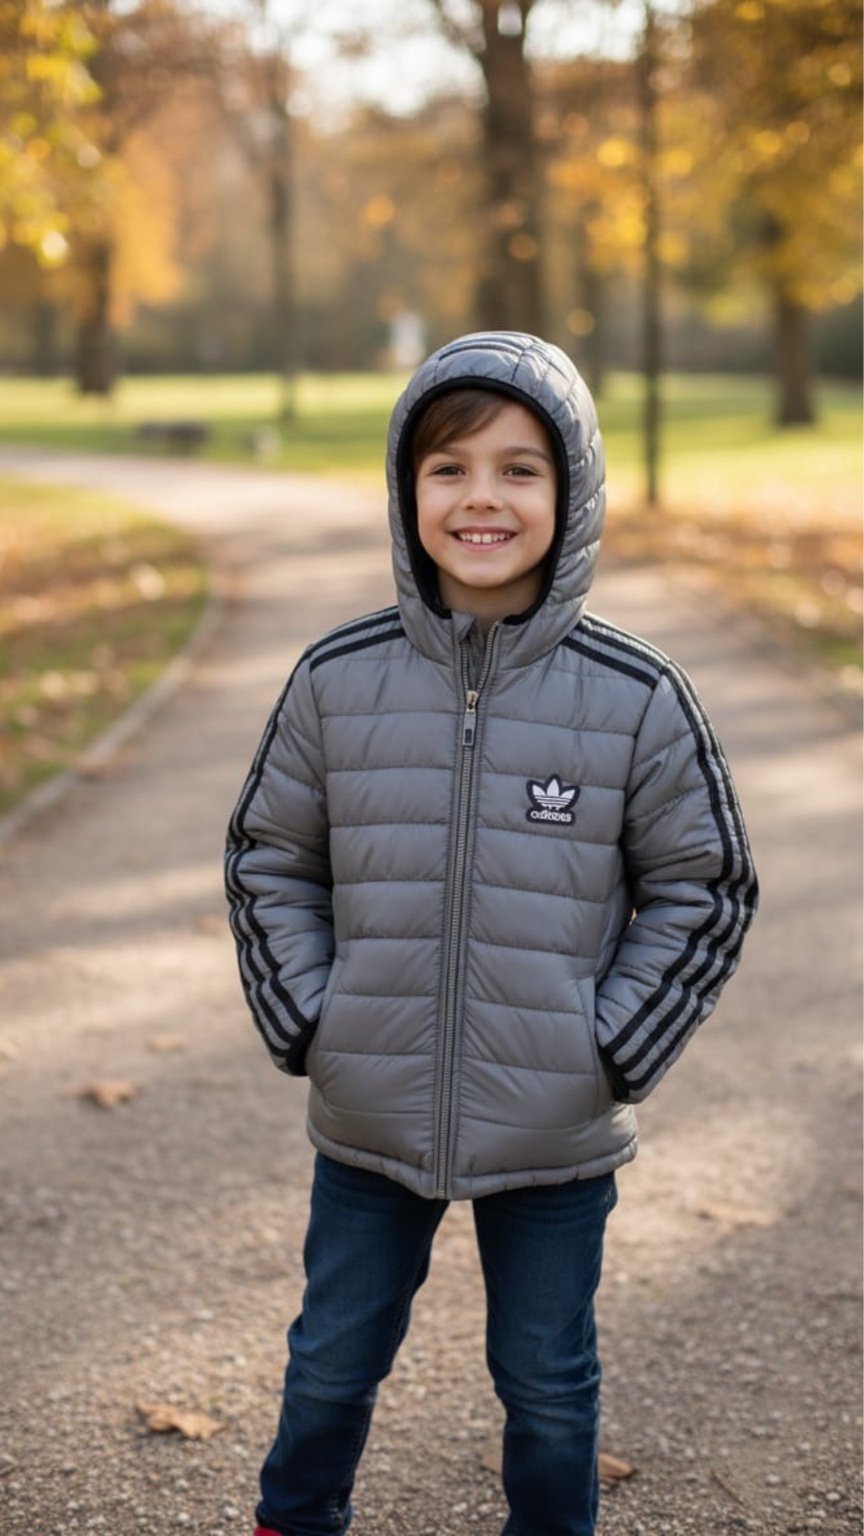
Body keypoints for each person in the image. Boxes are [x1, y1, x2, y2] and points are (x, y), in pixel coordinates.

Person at [225, 330, 758, 1536]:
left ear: (572, 496)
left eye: (521, 470)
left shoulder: (636, 698)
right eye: (448, 468)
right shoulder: (335, 678)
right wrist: (314, 1013)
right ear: (406, 490)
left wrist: (608, 1047)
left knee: (551, 1388)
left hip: (557, 1126)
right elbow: (267, 855)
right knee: (329, 1366)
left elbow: (707, 885)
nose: (482, 498)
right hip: (368, 1113)